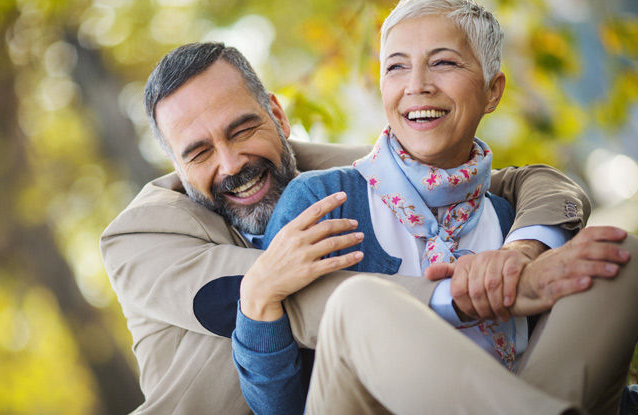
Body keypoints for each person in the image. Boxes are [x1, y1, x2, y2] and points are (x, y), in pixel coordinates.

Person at [99, 41, 617, 414]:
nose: (232, 163)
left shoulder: (344, 176)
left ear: (276, 114)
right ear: (175, 164)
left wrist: (526, 251)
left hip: (410, 396)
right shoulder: (140, 238)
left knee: (620, 259)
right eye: (200, 152)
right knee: (358, 302)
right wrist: (479, 292)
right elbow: (296, 302)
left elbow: (522, 185)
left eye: (243, 128)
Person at [232, 1, 638, 414]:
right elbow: (278, 405)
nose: (418, 84)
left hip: (535, 392)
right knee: (359, 301)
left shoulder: (509, 216)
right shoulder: (321, 202)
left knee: (623, 253)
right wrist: (256, 302)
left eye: (443, 63)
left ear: (492, 91)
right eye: (396, 67)